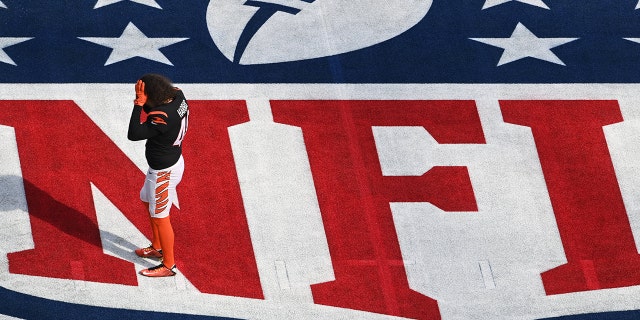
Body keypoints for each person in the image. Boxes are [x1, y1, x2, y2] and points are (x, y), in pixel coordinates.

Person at [127, 74, 189, 277]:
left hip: (164, 172)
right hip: (169, 163)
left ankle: (168, 265)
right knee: (146, 199)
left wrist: (138, 104)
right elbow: (155, 111)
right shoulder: (178, 95)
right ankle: (157, 247)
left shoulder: (162, 115)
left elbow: (134, 133)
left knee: (161, 217)